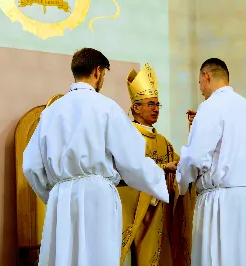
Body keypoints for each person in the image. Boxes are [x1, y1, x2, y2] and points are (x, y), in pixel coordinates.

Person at [22, 48, 169, 266]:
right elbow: (131, 161)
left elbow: (31, 166)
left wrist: (53, 196)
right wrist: (158, 179)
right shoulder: (107, 107)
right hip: (98, 196)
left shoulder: (51, 112)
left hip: (61, 198)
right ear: (98, 72)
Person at [176, 58, 246, 266]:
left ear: (206, 77)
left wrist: (181, 183)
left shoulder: (210, 107)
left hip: (220, 204)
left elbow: (195, 157)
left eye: (200, 83)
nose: (201, 90)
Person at [118, 63, 194, 266]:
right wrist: (162, 169)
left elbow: (182, 166)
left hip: (162, 217)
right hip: (138, 217)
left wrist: (195, 133)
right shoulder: (127, 137)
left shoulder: (163, 142)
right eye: (150, 104)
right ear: (136, 107)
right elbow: (124, 174)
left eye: (157, 105)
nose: (155, 109)